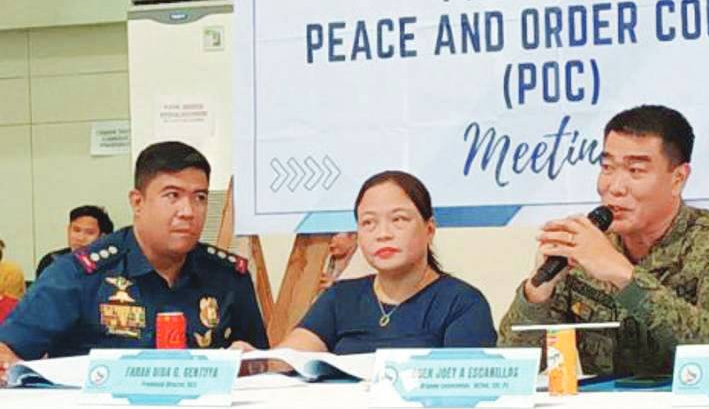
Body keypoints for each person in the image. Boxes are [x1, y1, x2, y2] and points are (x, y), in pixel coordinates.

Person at [498, 105, 709, 377]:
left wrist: (625, 276)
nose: (615, 187)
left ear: (678, 179)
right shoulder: (584, 244)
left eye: (635, 171)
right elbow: (512, 369)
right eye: (607, 167)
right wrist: (538, 292)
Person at [0, 141, 268, 374]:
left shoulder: (227, 276)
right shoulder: (79, 275)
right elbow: (7, 350)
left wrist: (253, 362)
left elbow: (260, 362)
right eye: (172, 196)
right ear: (137, 202)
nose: (188, 211)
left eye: (199, 197)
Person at [241, 171, 495, 355]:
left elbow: (465, 389)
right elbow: (290, 357)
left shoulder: (463, 303)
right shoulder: (341, 298)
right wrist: (254, 359)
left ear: (429, 229)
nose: (382, 233)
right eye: (368, 223)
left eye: (398, 220)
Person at [35, 205, 115, 278]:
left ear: (103, 237)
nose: (80, 238)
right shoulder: (51, 261)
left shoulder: (113, 266)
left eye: (89, 233)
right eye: (76, 230)